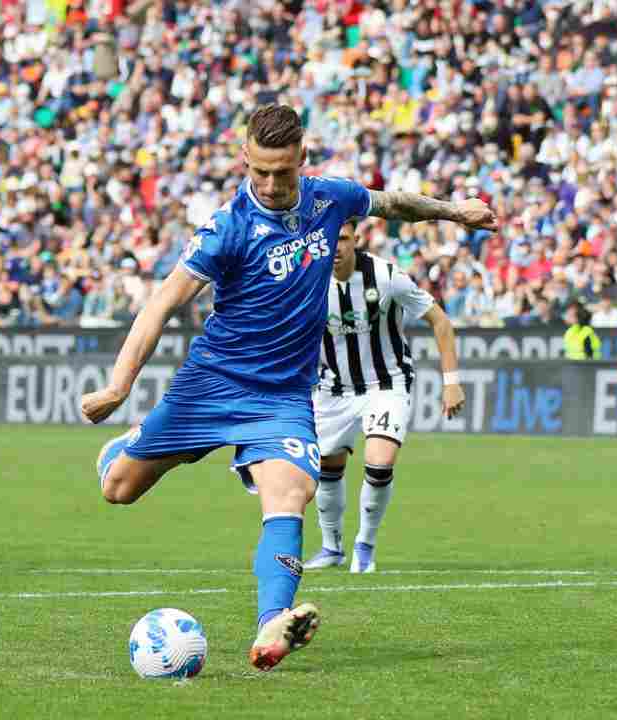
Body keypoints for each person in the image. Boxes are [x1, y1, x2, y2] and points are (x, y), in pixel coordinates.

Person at [81, 104, 497, 671]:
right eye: (260, 173)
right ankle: (131, 442)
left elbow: (395, 203)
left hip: (281, 399)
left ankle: (271, 625)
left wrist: (453, 212)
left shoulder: (331, 199)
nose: (272, 185)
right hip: (211, 385)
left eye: (284, 172)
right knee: (118, 490)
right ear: (244, 159)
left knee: (290, 494)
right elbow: (163, 302)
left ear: (303, 159)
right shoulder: (227, 228)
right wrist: (117, 385)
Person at [304, 218, 465, 574]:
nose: (336, 247)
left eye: (343, 238)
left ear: (356, 239)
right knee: (327, 468)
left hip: (386, 383)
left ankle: (365, 545)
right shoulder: (307, 280)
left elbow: (439, 320)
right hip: (332, 388)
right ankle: (332, 547)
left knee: (379, 462)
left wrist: (451, 380)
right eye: (330, 239)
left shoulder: (387, 276)